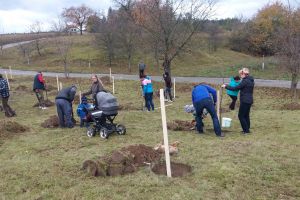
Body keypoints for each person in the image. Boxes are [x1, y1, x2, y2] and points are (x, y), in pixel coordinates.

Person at [222, 68, 254, 134]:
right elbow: (239, 85)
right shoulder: (250, 80)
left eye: (241, 74)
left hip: (245, 100)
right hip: (249, 100)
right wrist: (229, 84)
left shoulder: (245, 81)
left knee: (241, 116)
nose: (240, 75)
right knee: (246, 115)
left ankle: (246, 131)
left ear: (244, 74)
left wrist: (226, 86)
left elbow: (235, 88)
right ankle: (247, 129)